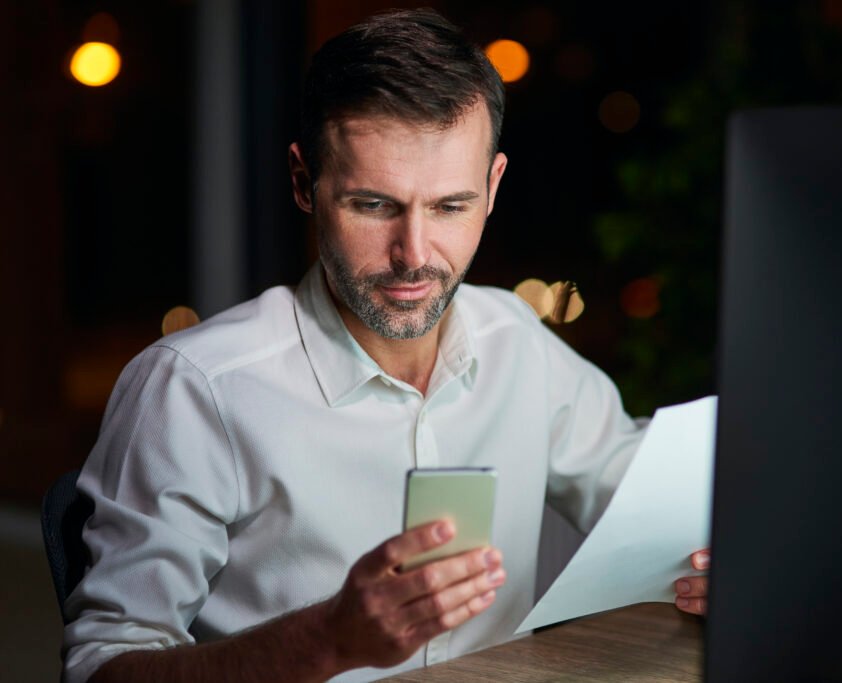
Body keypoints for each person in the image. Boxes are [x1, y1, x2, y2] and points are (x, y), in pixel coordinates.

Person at [61, 8, 709, 683]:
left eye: (451, 206)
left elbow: (651, 497)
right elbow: (99, 670)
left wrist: (720, 558)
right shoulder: (195, 388)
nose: (414, 256)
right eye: (373, 205)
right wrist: (326, 639)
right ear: (302, 182)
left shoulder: (516, 338)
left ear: (492, 188)